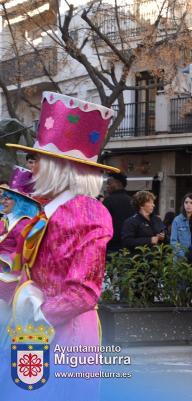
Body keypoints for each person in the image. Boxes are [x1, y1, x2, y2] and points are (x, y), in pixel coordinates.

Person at [2, 92, 118, 398]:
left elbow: (84, 290)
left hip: (65, 334)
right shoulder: (34, 207)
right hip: (28, 330)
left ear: (58, 167)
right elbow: (16, 265)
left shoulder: (88, 213)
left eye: (38, 159)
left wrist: (38, 314)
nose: (31, 166)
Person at [0, 167, 40, 303]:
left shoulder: (24, 224)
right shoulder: (5, 218)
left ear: (20, 202)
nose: (3, 201)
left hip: (9, 279)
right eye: (3, 197)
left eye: (8, 198)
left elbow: (24, 253)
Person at [103, 172, 135, 252]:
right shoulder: (132, 200)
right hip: (130, 244)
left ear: (118, 183)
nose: (107, 186)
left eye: (109, 183)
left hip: (112, 245)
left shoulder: (108, 201)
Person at [170, 193, 192, 258]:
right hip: (180, 259)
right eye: (186, 202)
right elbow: (173, 242)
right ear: (183, 204)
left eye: (191, 203)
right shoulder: (177, 220)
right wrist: (184, 255)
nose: (188, 205)